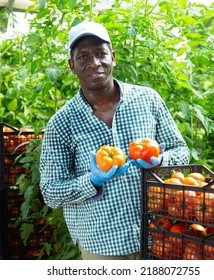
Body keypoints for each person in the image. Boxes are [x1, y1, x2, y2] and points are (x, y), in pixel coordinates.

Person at [39, 21, 190, 260]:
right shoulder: (62, 123)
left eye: (101, 54)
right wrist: (91, 181)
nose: (94, 63)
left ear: (113, 57)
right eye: (83, 57)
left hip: (158, 234)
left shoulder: (147, 100)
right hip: (101, 245)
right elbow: (50, 192)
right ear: (72, 66)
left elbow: (181, 151)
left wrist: (161, 161)